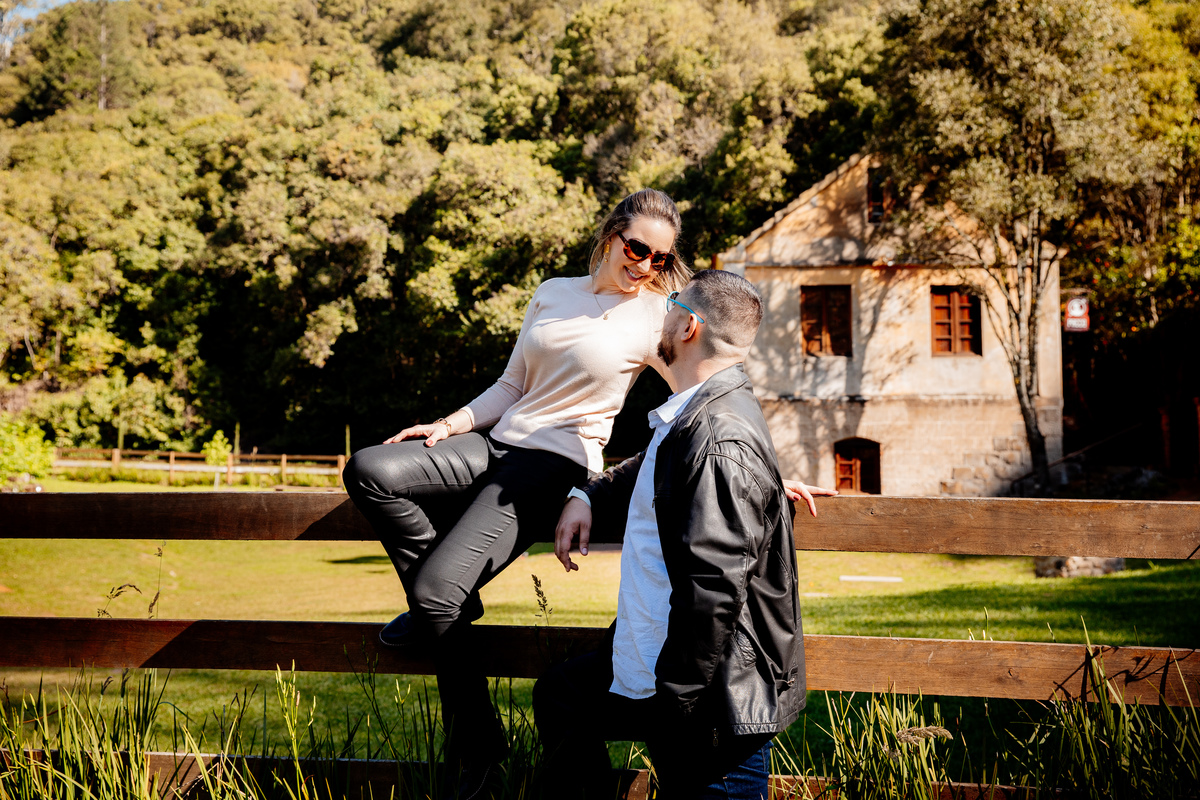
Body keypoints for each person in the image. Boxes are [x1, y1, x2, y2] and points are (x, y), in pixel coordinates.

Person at [342, 189, 691, 797]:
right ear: (612, 236)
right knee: (372, 469)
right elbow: (511, 385)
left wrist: (757, 456)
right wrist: (447, 425)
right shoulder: (554, 292)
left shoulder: (656, 315)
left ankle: (476, 749)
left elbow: (697, 390)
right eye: (638, 248)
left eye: (660, 258)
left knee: (433, 591)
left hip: (556, 462)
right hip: (499, 441)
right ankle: (449, 605)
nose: (646, 265)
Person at [534, 269, 835, 799]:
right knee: (562, 695)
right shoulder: (694, 418)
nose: (663, 316)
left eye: (670, 305)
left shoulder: (718, 438)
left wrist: (674, 705)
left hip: (709, 704)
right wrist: (586, 495)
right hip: (677, 673)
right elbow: (652, 469)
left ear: (690, 325)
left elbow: (713, 593)